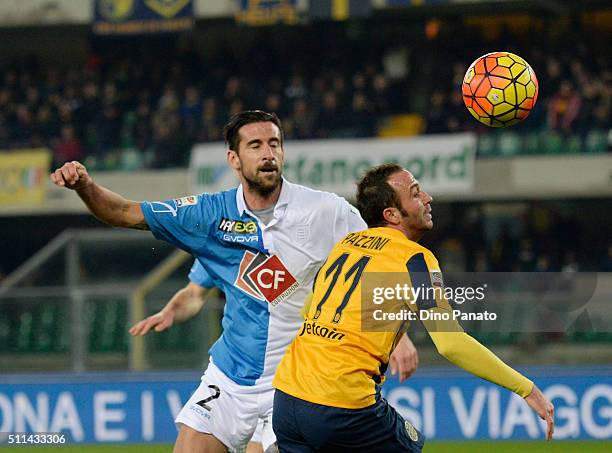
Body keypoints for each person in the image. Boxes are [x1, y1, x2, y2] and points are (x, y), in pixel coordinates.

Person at [50, 110, 418, 453]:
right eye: (255, 145)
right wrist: (85, 186)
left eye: (274, 143)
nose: (267, 153)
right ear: (233, 159)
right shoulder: (209, 218)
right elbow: (126, 213)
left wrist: (397, 337)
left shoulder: (327, 211)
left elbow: (378, 265)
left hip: (295, 382)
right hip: (229, 375)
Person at [272, 163, 555, 451]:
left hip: (287, 400)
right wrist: (526, 389)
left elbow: (308, 309)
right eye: (416, 193)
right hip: (341, 404)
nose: (428, 198)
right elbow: (451, 343)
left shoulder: (346, 244)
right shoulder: (414, 259)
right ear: (392, 214)